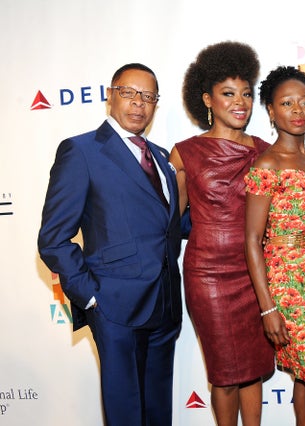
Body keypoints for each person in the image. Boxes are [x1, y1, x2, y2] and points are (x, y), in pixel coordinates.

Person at [38, 63, 182, 425]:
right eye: (129, 93)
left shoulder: (164, 159)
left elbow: (171, 227)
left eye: (148, 96)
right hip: (115, 307)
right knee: (126, 414)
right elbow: (53, 237)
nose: (139, 104)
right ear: (110, 96)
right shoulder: (82, 151)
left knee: (157, 412)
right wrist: (91, 296)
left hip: (164, 306)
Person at [169, 42, 275, 426]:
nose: (240, 102)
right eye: (228, 93)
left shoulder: (266, 153)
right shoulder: (185, 154)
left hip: (256, 274)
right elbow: (169, 219)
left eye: (246, 93)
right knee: (226, 372)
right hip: (209, 274)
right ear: (207, 99)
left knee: (254, 365)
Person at [245, 66, 305, 426]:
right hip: (288, 285)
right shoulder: (267, 164)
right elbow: (252, 240)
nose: (298, 110)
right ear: (270, 110)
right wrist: (268, 309)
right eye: (287, 103)